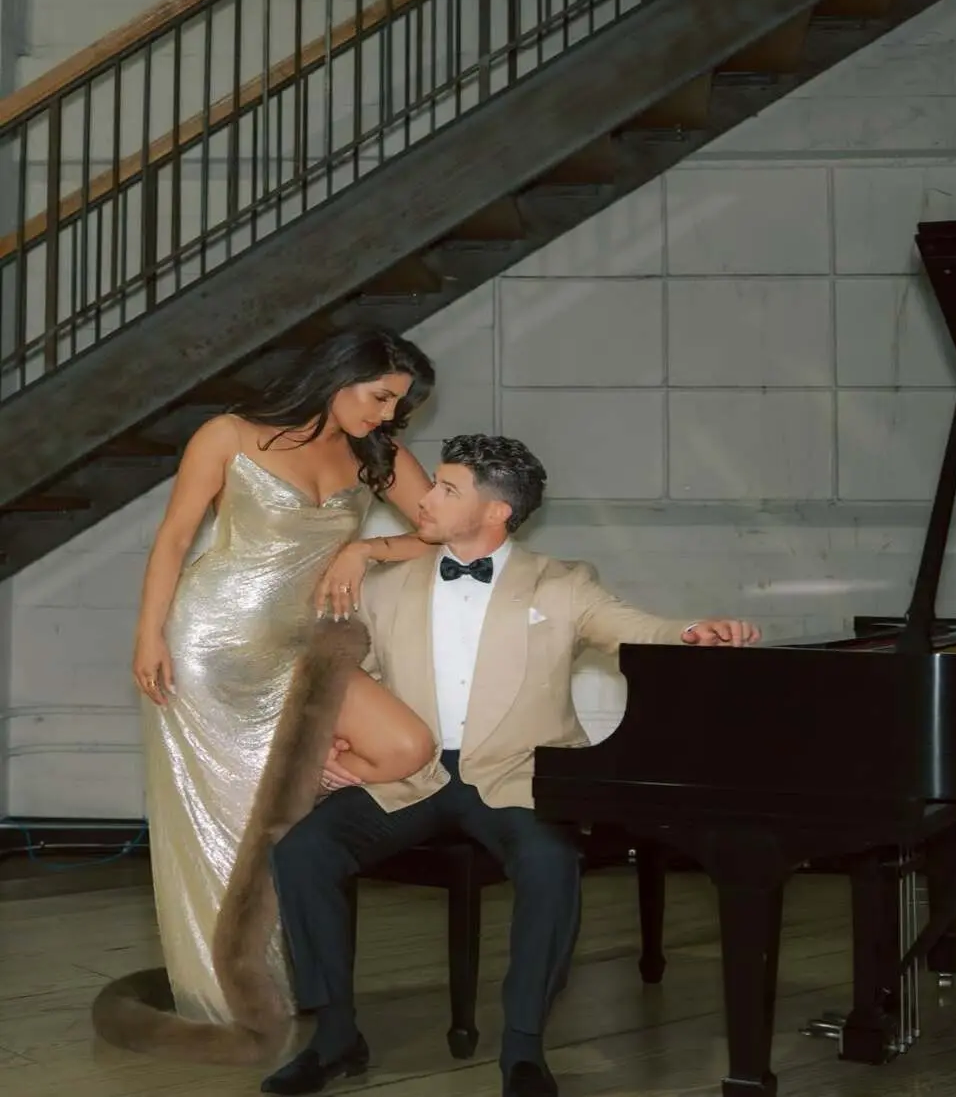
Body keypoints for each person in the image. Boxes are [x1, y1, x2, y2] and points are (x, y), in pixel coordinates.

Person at [261, 433, 761, 1097]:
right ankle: (335, 1036)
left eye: (446, 488)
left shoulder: (562, 584)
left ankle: (524, 1048)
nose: (425, 498)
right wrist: (333, 744)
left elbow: (631, 627)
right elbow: (358, 681)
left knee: (550, 865)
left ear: (495, 511)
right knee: (302, 853)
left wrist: (694, 632)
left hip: (519, 777)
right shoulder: (387, 585)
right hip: (414, 777)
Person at [92, 327, 442, 1066]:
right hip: (207, 651)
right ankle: (232, 998)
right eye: (379, 396)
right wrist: (147, 637)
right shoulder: (230, 434)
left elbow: (449, 531)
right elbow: (174, 539)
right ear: (342, 373)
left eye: (396, 405)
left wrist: (363, 547)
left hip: (306, 654)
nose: (386, 414)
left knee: (367, 772)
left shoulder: (378, 456)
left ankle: (301, 987)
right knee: (222, 825)